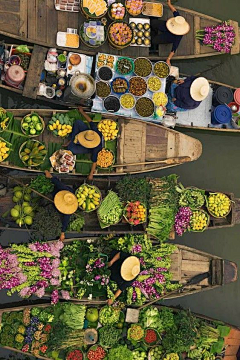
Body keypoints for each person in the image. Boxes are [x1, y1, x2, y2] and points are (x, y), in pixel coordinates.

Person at [66, 107, 103, 181]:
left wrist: (91, 175)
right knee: (78, 122)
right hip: (87, 134)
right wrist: (82, 112)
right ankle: (72, 139)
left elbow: (94, 162)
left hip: (89, 148)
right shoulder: (94, 132)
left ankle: (73, 140)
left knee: (71, 149)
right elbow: (90, 121)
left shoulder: (96, 149)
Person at [151, 0, 190, 66]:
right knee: (153, 23)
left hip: (168, 37)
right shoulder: (178, 20)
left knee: (154, 41)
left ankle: (154, 34)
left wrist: (168, 59)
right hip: (165, 26)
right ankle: (154, 30)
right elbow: (175, 11)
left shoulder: (178, 36)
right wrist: (169, 4)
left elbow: (174, 49)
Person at [45, 170, 78, 242]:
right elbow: (58, 183)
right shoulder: (65, 190)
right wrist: (50, 176)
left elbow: (65, 221)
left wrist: (62, 233)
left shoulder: (68, 210)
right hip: (56, 193)